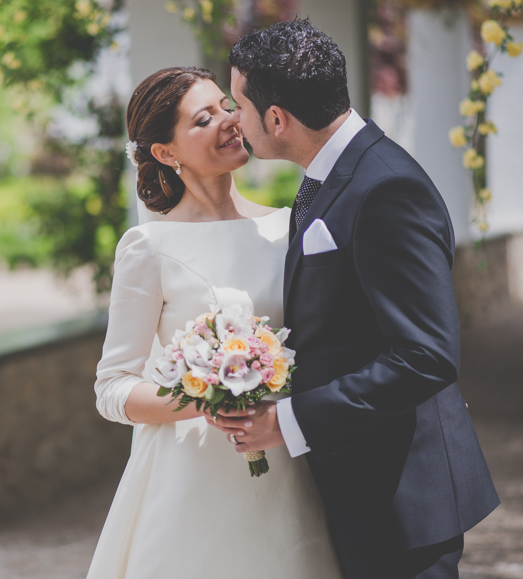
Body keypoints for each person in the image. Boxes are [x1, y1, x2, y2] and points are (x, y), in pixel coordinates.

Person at [207, 19, 500, 579]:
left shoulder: (387, 187)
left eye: (238, 106)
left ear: (276, 118)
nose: (234, 121)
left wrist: (287, 420)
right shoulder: (330, 172)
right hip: (360, 483)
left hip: (401, 494)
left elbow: (426, 355)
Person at [87, 66, 342, 578]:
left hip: (288, 462)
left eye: (228, 106)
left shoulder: (285, 226)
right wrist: (208, 396)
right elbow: (112, 388)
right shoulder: (149, 246)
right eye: (205, 119)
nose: (229, 121)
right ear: (166, 152)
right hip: (192, 478)